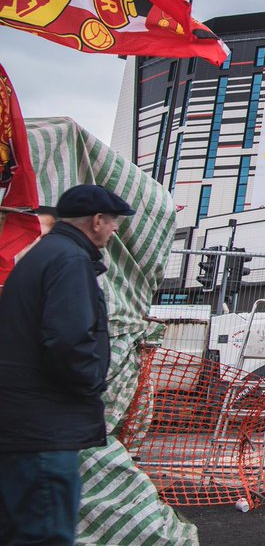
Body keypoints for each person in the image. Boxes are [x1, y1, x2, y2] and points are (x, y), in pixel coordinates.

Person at [0, 184, 132, 545]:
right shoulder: (70, 261)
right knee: (45, 534)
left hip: (24, 422)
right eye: (114, 221)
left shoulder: (46, 254)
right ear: (97, 220)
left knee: (20, 530)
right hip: (45, 425)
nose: (116, 229)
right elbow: (69, 342)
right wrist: (91, 386)